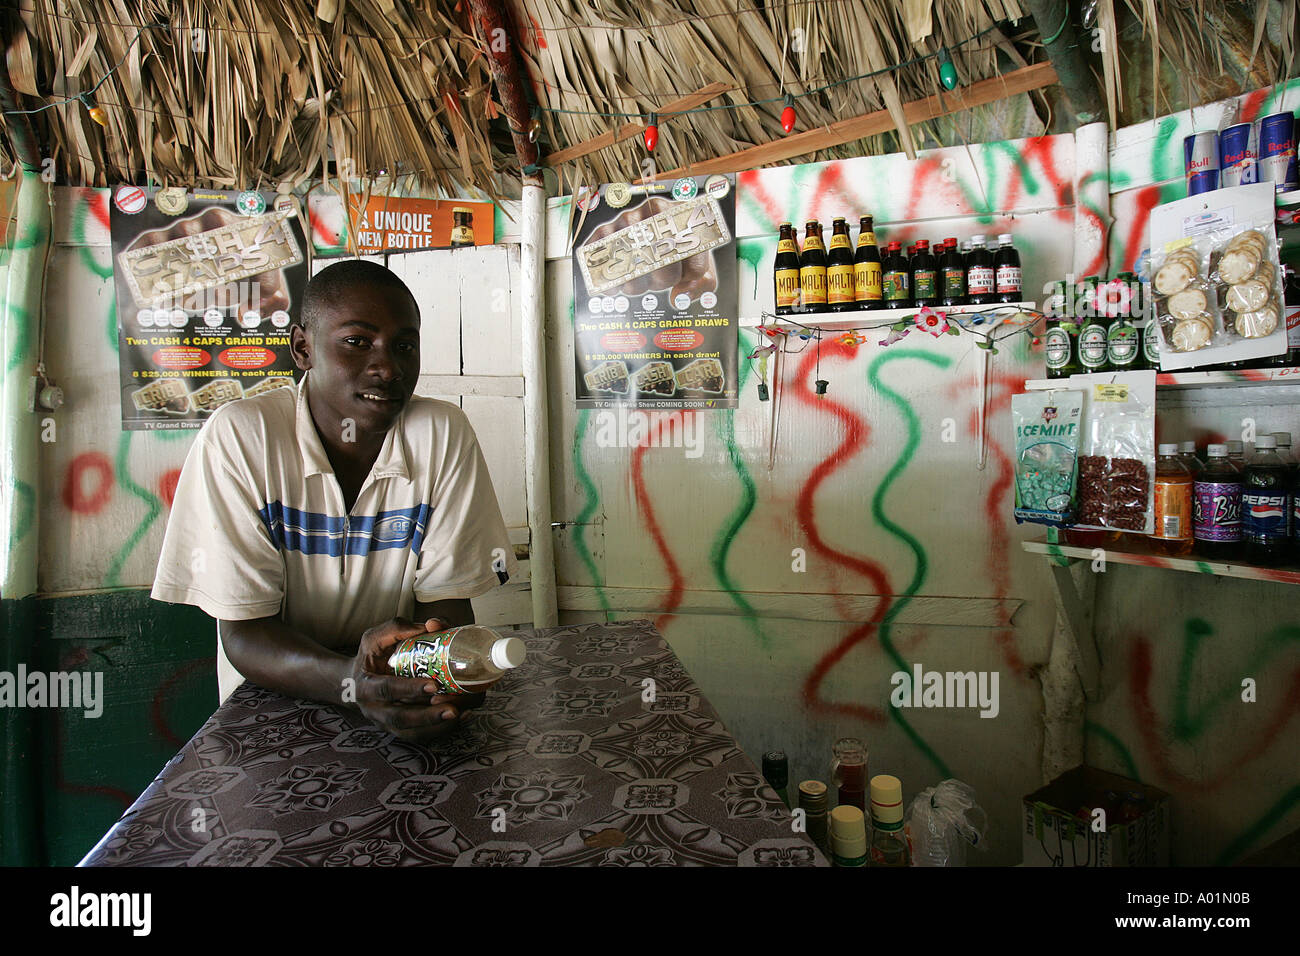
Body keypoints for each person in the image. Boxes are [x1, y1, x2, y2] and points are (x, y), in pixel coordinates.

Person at [151, 260, 518, 742]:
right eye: (357, 342)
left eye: (404, 346)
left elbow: (446, 608)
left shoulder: (441, 434)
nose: (388, 368)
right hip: (269, 715)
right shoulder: (241, 437)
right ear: (303, 348)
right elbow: (244, 633)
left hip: (396, 705)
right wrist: (352, 681)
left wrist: (442, 674)